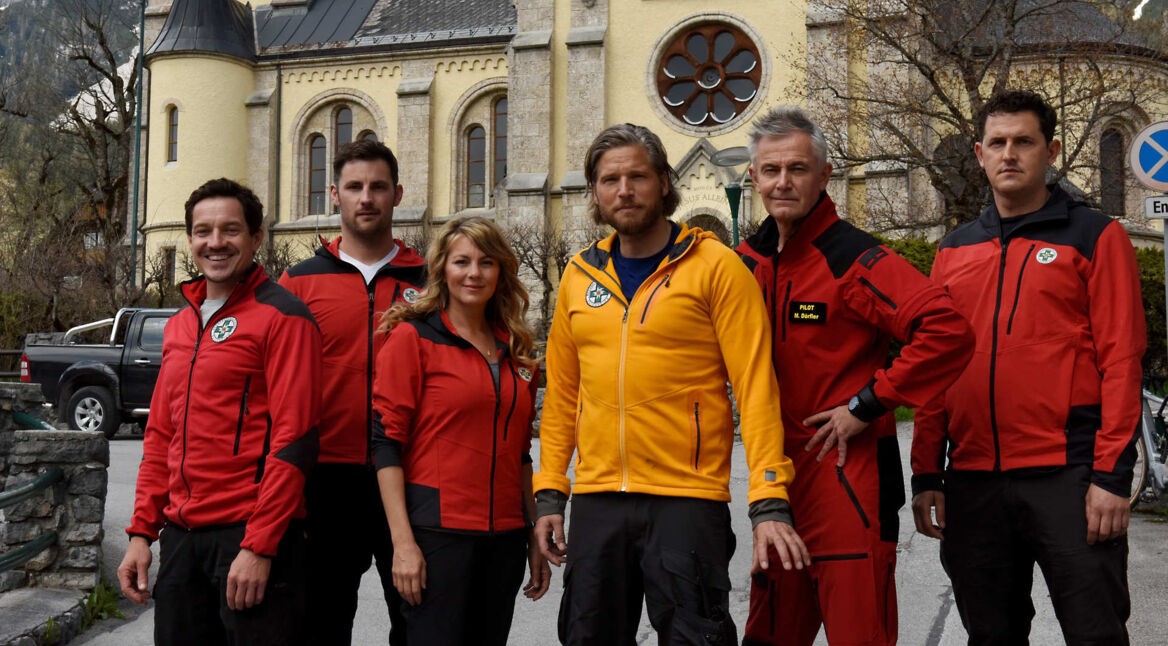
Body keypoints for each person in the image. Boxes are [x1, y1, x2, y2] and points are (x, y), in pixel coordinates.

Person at [533, 123, 810, 645]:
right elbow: (563, 398)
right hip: (597, 501)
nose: (624, 190)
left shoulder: (717, 268)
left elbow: (755, 386)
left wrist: (769, 496)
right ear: (594, 191)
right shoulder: (578, 274)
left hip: (686, 500)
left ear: (664, 181)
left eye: (637, 176)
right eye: (610, 179)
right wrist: (549, 493)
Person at [911, 89, 1145, 644]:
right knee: (991, 634)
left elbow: (1121, 360)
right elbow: (933, 371)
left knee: (1096, 633)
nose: (1009, 153)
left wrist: (1112, 477)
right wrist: (926, 474)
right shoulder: (952, 251)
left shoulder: (1095, 236)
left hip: (1069, 477)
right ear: (979, 154)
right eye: (998, 142)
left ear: (1052, 150)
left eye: (1024, 142)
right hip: (973, 483)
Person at [735, 106, 974, 646]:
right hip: (776, 482)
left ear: (824, 175)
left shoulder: (853, 256)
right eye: (771, 170)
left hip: (851, 480)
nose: (783, 182)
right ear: (753, 177)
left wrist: (869, 403)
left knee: (859, 634)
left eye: (797, 168)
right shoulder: (742, 263)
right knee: (769, 635)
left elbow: (947, 329)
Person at [117, 178, 322, 646]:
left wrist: (260, 545)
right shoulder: (181, 325)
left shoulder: (285, 317)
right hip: (183, 537)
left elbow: (297, 440)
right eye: (203, 230)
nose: (215, 242)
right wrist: (140, 533)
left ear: (256, 237)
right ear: (190, 238)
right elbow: (161, 437)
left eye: (230, 230)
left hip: (249, 536)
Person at [371, 215, 551, 645]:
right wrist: (403, 544)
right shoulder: (412, 339)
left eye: (486, 262)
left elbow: (521, 454)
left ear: (501, 271)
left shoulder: (517, 352)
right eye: (462, 262)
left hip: (503, 539)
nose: (474, 273)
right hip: (436, 535)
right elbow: (386, 446)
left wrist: (530, 535)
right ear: (442, 270)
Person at [279, 139, 423, 645]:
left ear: (397, 194)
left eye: (378, 187)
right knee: (320, 622)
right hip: (324, 481)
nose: (367, 198)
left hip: (410, 477)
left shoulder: (427, 282)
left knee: (417, 620)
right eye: (356, 187)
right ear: (334, 194)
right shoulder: (298, 282)